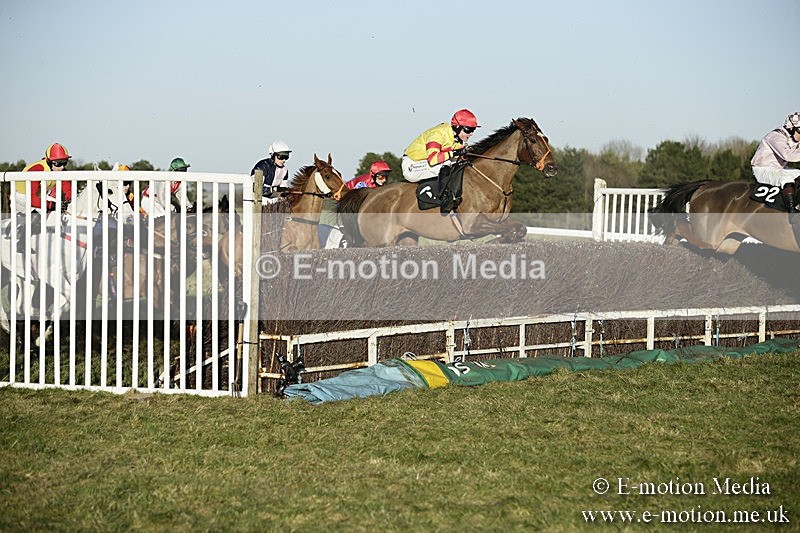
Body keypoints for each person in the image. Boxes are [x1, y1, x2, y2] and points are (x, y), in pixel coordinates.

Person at [401, 109, 479, 183]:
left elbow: (458, 157)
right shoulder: (437, 135)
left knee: (461, 164)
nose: (471, 133)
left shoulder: (456, 139)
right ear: (457, 127)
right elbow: (433, 159)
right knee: (445, 165)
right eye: (468, 130)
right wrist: (454, 153)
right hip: (412, 165)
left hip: (426, 162)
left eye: (473, 130)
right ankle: (445, 196)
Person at [751, 112, 800, 221]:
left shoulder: (793, 136)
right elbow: (788, 155)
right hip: (762, 169)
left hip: (778, 169)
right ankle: (792, 212)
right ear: (791, 128)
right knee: (786, 178)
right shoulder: (776, 136)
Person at [16, 143, 73, 211]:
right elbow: (31, 199)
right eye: (58, 163)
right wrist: (50, 205)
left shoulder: (60, 170)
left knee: (60, 207)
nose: (62, 167)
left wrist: (69, 200)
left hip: (39, 196)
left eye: (65, 163)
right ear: (48, 161)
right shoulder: (37, 169)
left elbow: (67, 187)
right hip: (22, 197)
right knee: (43, 212)